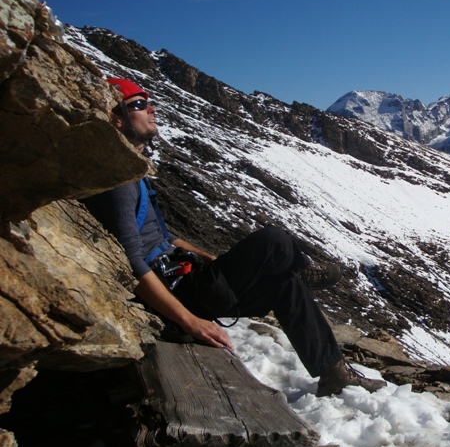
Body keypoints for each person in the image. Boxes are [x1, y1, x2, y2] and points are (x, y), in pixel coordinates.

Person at [85, 78, 386, 397]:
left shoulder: (133, 173)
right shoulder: (118, 183)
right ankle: (303, 269)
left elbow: (164, 236)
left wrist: (207, 258)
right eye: (138, 104)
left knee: (287, 286)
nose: (151, 109)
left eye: (149, 102)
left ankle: (334, 373)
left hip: (186, 281)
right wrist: (189, 321)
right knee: (274, 240)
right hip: (177, 295)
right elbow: (131, 262)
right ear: (117, 121)